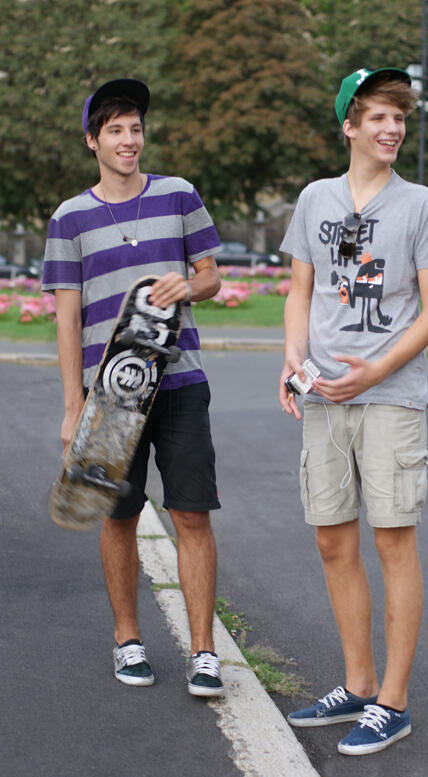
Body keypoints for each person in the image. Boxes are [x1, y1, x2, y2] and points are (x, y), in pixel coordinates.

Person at [279, 67, 428, 755]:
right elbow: (301, 290)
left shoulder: (420, 207)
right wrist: (293, 359)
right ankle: (357, 683)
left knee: (393, 540)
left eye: (399, 117)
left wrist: (377, 369)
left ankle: (394, 699)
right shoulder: (315, 199)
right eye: (378, 116)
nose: (392, 129)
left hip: (388, 397)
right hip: (324, 392)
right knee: (332, 538)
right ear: (348, 125)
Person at [42, 78, 224, 697]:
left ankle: (205, 652)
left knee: (191, 514)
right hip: (112, 395)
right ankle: (128, 640)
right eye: (116, 130)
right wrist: (74, 407)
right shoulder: (69, 218)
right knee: (117, 516)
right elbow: (67, 316)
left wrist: (187, 286)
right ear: (93, 140)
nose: (129, 140)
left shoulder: (178, 196)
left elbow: (211, 277)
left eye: (136, 129)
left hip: (179, 381)